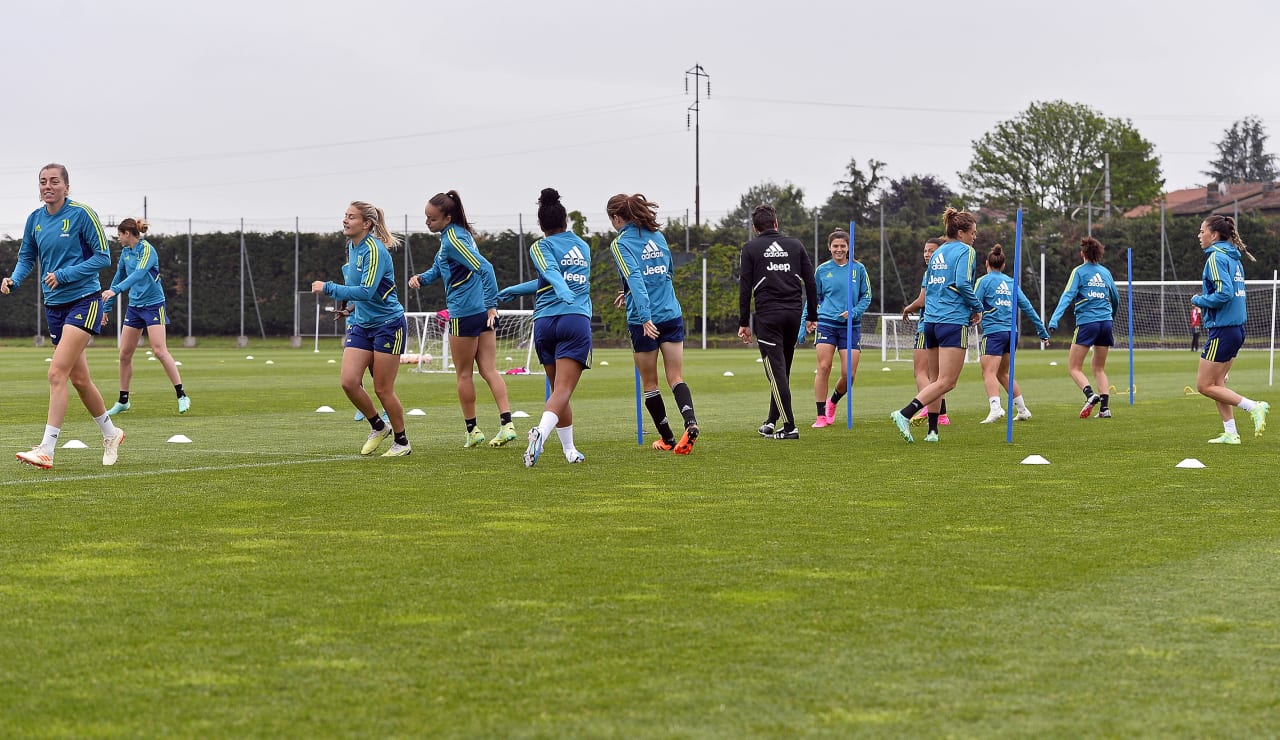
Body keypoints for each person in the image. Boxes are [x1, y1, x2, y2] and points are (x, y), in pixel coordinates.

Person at [1, 163, 125, 469]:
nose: (48, 186)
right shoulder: (35, 220)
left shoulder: (82, 214)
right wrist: (14, 280)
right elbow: (27, 256)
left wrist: (65, 275)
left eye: (54, 181)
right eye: (43, 182)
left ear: (66, 187)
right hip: (54, 307)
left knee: (56, 373)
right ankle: (111, 433)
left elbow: (103, 257)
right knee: (80, 379)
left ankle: (46, 449)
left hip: (85, 301)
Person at [408, 190, 517, 449]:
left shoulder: (452, 241)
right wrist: (422, 278)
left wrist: (492, 306)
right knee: (489, 370)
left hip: (465, 314)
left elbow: (485, 268)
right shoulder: (459, 235)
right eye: (426, 217)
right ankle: (507, 424)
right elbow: (439, 268)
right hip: (480, 313)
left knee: (464, 375)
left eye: (431, 218)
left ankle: (473, 430)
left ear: (447, 217)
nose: (427, 222)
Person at [496, 188, 592, 467]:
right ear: (565, 222)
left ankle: (570, 450)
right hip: (574, 319)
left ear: (541, 225)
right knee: (562, 390)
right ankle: (540, 433)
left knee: (557, 391)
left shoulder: (540, 245)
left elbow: (550, 275)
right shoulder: (583, 247)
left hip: (545, 323)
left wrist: (557, 286)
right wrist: (516, 290)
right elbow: (551, 277)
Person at [311, 201, 411, 457]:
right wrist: (350, 309)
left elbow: (367, 290)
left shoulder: (374, 250)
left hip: (389, 325)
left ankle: (402, 442)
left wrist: (329, 287)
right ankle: (378, 426)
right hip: (362, 324)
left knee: (382, 388)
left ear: (366, 224)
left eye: (351, 217)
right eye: (345, 215)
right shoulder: (352, 247)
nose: (345, 220)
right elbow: (365, 292)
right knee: (348, 382)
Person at [607, 193, 700, 454]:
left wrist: (645, 316)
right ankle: (690, 423)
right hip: (671, 313)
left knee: (650, 383)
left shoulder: (620, 243)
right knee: (676, 376)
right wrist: (629, 294)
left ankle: (668, 438)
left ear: (616, 218)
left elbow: (635, 277)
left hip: (643, 321)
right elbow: (667, 271)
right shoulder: (657, 236)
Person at [889, 208, 982, 443]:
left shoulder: (938, 254)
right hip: (952, 321)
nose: (974, 237)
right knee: (947, 382)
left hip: (930, 322)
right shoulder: (966, 251)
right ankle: (905, 413)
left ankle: (932, 432)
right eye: (973, 232)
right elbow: (962, 282)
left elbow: (928, 289)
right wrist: (976, 307)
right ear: (961, 233)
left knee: (935, 380)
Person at [737, 203, 818, 440]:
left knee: (776, 371)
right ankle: (771, 421)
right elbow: (810, 283)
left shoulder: (750, 248)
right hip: (793, 315)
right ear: (776, 223)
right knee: (781, 370)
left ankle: (790, 426)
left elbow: (745, 287)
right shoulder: (795, 245)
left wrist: (744, 322)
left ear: (755, 228)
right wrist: (812, 315)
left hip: (769, 316)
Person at [100, 218, 190, 416]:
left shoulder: (147, 250)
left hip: (153, 305)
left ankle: (182, 395)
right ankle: (123, 400)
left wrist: (115, 290)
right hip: (135, 307)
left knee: (159, 351)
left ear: (127, 233)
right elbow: (119, 277)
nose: (118, 239)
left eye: (119, 235)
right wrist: (107, 308)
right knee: (124, 354)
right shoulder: (125, 253)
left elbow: (139, 274)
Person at [1191, 214, 1269, 443]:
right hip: (1236, 329)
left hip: (1223, 331)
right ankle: (1231, 433)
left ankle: (1254, 406)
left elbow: (1224, 294)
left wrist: (1199, 300)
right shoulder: (1234, 258)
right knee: (1218, 383)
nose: (1199, 235)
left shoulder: (1215, 258)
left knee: (1204, 386)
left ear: (1214, 235)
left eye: (1202, 231)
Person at [973, 244, 1050, 423]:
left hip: (994, 332)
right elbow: (1028, 307)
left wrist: (969, 317)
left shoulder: (984, 281)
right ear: (1003, 265)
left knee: (988, 372)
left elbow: (974, 303)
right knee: (1003, 373)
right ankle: (1022, 410)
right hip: (1011, 334)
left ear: (987, 264)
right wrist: (1042, 331)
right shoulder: (1011, 282)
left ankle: (995, 408)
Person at [1048, 236, 1120, 419]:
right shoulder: (1105, 272)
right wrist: (1110, 317)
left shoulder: (1079, 272)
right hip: (1105, 323)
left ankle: (1090, 395)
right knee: (1099, 368)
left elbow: (1067, 296)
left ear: (1082, 253)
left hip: (1088, 323)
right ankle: (1105, 409)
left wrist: (1054, 320)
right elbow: (1115, 298)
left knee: (1074, 367)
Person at [810, 229, 870, 427]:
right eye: (835, 246)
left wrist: (854, 311)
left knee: (849, 375)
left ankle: (833, 401)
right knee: (824, 367)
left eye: (842, 246)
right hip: (827, 323)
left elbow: (866, 296)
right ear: (829, 247)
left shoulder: (858, 269)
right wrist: (807, 320)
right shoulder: (822, 270)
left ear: (848, 247)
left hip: (851, 326)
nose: (839, 249)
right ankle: (820, 416)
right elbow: (814, 298)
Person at [900, 236, 950, 426]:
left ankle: (928, 409)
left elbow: (922, 301)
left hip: (927, 325)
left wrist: (907, 308)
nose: (927, 254)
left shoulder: (932, 271)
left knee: (921, 372)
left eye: (931, 251)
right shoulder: (948, 270)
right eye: (925, 251)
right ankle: (942, 414)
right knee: (937, 376)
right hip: (945, 325)